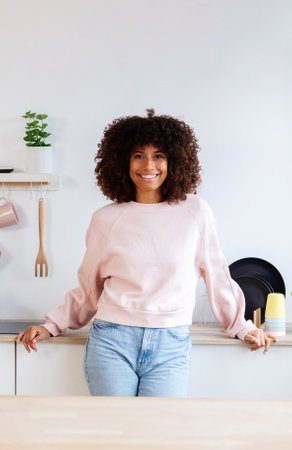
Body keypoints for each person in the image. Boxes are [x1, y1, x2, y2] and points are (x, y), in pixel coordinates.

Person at [16, 108, 278, 397]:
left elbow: (217, 275)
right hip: (111, 341)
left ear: (175, 160)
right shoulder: (106, 218)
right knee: (117, 437)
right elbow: (89, 287)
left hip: (171, 343)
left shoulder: (195, 212)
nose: (148, 165)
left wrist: (241, 326)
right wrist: (52, 325)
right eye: (138, 155)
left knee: (159, 437)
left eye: (159, 155)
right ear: (123, 162)